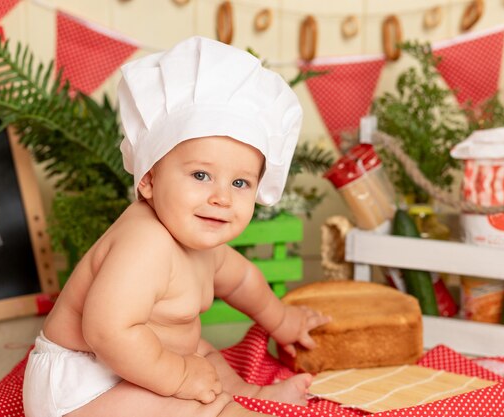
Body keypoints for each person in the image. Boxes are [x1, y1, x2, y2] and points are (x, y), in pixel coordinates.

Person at [22, 36, 331, 417]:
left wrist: (282, 321)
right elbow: (106, 332)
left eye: (240, 183)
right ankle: (224, 409)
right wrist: (181, 377)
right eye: (201, 175)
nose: (222, 197)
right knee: (194, 399)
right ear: (149, 179)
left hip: (145, 363)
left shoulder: (202, 243)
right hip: (84, 384)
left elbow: (242, 281)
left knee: (204, 355)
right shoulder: (145, 242)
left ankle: (250, 392)